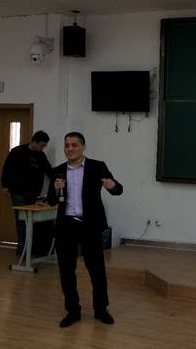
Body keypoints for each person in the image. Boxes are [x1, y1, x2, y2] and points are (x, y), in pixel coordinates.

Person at [47, 132, 123, 328]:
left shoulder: (97, 167)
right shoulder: (58, 171)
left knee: (96, 269)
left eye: (74, 145)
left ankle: (101, 309)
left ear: (83, 147)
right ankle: (73, 311)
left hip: (90, 226)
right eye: (67, 145)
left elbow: (118, 190)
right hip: (66, 227)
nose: (70, 149)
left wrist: (112, 185)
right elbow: (51, 201)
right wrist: (55, 189)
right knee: (66, 271)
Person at [1, 130, 53, 255]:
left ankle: (30, 249)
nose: (42, 148)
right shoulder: (17, 152)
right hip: (18, 192)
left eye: (44, 146)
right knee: (22, 221)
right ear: (34, 142)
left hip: (33, 193)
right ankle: (22, 250)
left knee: (31, 222)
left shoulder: (41, 155)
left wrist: (59, 180)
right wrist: (5, 185)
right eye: (41, 145)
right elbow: (7, 168)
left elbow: (49, 170)